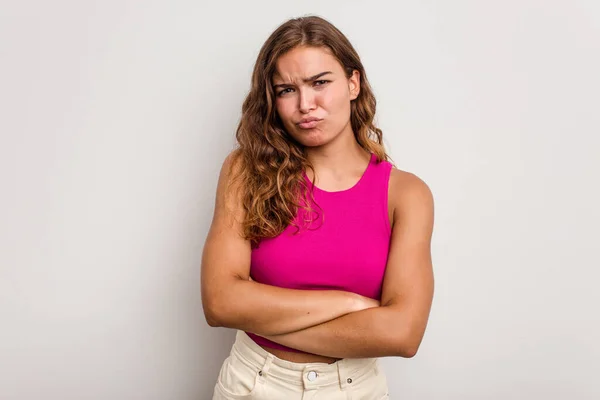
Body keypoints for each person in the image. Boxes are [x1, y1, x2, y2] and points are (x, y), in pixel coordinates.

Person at [201, 14, 435, 399]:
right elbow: (220, 302)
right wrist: (348, 303)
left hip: (354, 390)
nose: (305, 105)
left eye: (320, 83)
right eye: (286, 90)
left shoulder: (406, 194)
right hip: (254, 383)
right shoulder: (246, 170)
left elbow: (402, 333)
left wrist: (260, 313)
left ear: (353, 83)